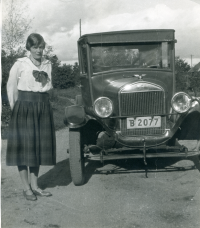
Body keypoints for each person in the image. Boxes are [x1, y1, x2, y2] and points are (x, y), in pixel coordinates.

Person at [6, 33, 56, 201]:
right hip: (24, 108)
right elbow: (11, 86)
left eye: (41, 47)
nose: (39, 51)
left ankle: (35, 186)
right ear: (29, 48)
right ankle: (26, 187)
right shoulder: (20, 64)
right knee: (24, 149)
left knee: (38, 148)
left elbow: (48, 86)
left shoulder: (48, 64)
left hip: (42, 107)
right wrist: (16, 108)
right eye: (35, 47)